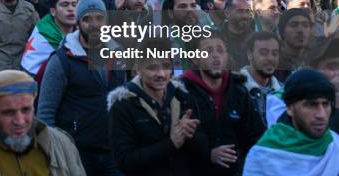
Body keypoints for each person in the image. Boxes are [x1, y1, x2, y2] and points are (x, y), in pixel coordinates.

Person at [38, 0, 126, 175]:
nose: (94, 24)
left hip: (112, 151)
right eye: (87, 19)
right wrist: (52, 152)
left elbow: (122, 102)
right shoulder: (62, 60)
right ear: (78, 23)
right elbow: (46, 112)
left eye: (99, 18)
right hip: (75, 152)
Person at [108, 40, 204, 176]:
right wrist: (170, 143)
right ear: (138, 69)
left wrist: (191, 134)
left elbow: (199, 147)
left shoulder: (182, 95)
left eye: (165, 66)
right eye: (152, 67)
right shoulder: (122, 104)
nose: (161, 74)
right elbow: (124, 161)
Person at [180, 31, 265, 174]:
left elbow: (255, 135)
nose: (215, 55)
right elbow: (180, 141)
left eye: (220, 50)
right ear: (195, 58)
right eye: (208, 51)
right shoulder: (183, 91)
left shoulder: (239, 91)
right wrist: (208, 154)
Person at [243, 69, 339, 175]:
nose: (321, 115)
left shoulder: (335, 147)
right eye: (311, 105)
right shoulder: (263, 156)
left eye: (325, 104)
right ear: (289, 108)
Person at [21, 0, 77, 76]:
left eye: (74, 4)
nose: (71, 9)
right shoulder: (44, 34)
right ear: (53, 11)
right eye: (65, 5)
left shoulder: (82, 29)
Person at [239, 31, 282, 124]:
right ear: (249, 54)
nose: (270, 58)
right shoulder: (234, 87)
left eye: (275, 53)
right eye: (264, 53)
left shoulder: (284, 91)